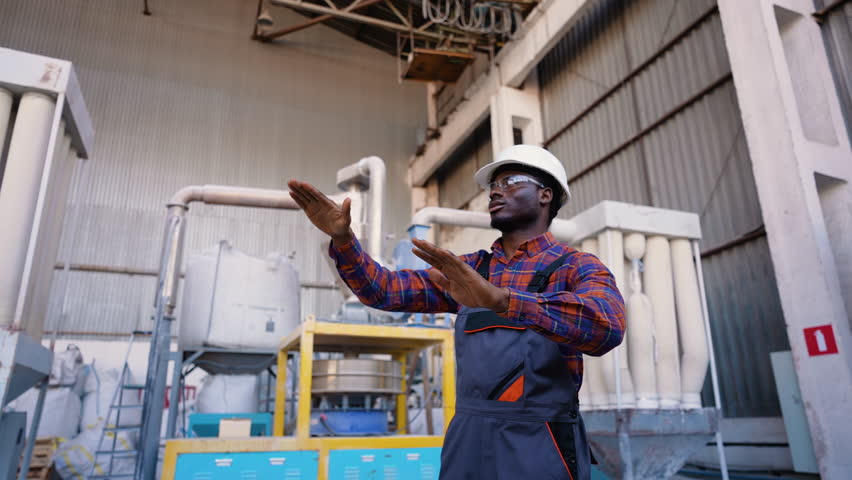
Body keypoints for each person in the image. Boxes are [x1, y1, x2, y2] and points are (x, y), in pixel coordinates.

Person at [288, 144, 625, 480]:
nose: (496, 191)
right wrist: (344, 240)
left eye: (510, 182)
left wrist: (505, 301)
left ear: (545, 195)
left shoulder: (574, 267)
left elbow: (607, 325)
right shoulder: (472, 269)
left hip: (540, 442)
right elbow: (385, 290)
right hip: (468, 439)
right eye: (494, 185)